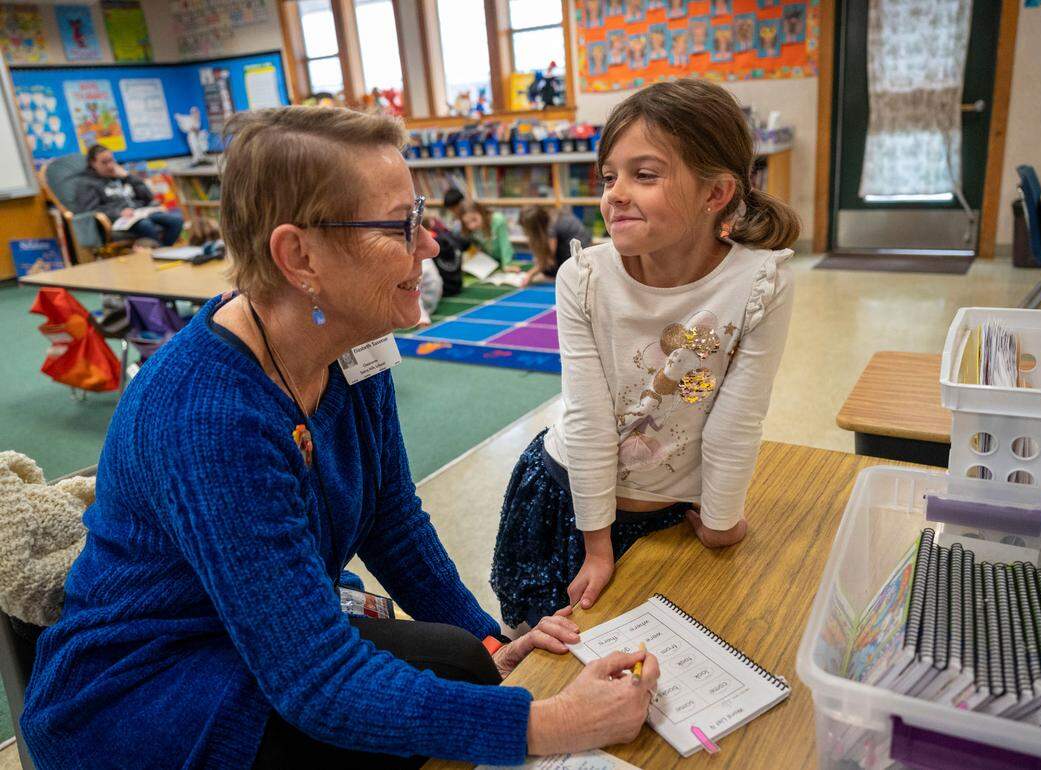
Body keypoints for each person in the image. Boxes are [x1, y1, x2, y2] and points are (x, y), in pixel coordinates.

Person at [21, 107, 660, 769]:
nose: (431, 245)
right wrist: (548, 722)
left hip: (248, 637)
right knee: (433, 723)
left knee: (466, 663)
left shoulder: (352, 344)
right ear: (300, 257)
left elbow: (392, 519)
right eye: (401, 226)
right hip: (144, 693)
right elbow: (316, 681)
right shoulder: (208, 417)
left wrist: (492, 642)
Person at [490, 80, 798, 628]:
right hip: (575, 509)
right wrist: (598, 545)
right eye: (610, 177)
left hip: (675, 519)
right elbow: (586, 418)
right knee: (552, 664)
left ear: (716, 193)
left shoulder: (761, 282)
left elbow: (738, 417)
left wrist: (723, 518)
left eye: (645, 175)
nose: (616, 193)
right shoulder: (582, 278)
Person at [76, 144, 184, 246]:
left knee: (176, 221)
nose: (110, 166)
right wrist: (118, 212)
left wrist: (128, 177)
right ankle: (159, 253)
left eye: (111, 161)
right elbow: (91, 210)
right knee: (146, 225)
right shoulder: (86, 183)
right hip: (118, 219)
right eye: (104, 163)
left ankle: (162, 250)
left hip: (139, 212)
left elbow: (148, 197)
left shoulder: (121, 175)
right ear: (93, 163)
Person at [518, 206, 592, 287]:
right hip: (581, 248)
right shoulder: (549, 219)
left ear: (534, 227)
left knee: (548, 268)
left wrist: (529, 275)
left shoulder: (551, 229)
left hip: (581, 256)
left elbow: (547, 260)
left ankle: (560, 278)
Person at [458, 200, 515, 269]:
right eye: (467, 223)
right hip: (490, 262)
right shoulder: (469, 230)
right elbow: (475, 247)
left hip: (506, 258)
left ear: (481, 212)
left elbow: (504, 244)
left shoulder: (497, 220)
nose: (472, 226)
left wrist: (507, 264)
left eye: (474, 219)